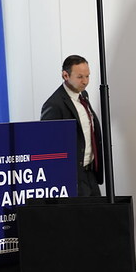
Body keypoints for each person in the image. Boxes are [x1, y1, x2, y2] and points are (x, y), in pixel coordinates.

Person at [41, 54, 103, 197]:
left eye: (88, 76)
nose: (85, 81)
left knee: (99, 215)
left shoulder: (83, 95)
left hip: (90, 171)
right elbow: (48, 145)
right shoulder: (54, 104)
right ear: (65, 75)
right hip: (73, 175)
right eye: (80, 77)